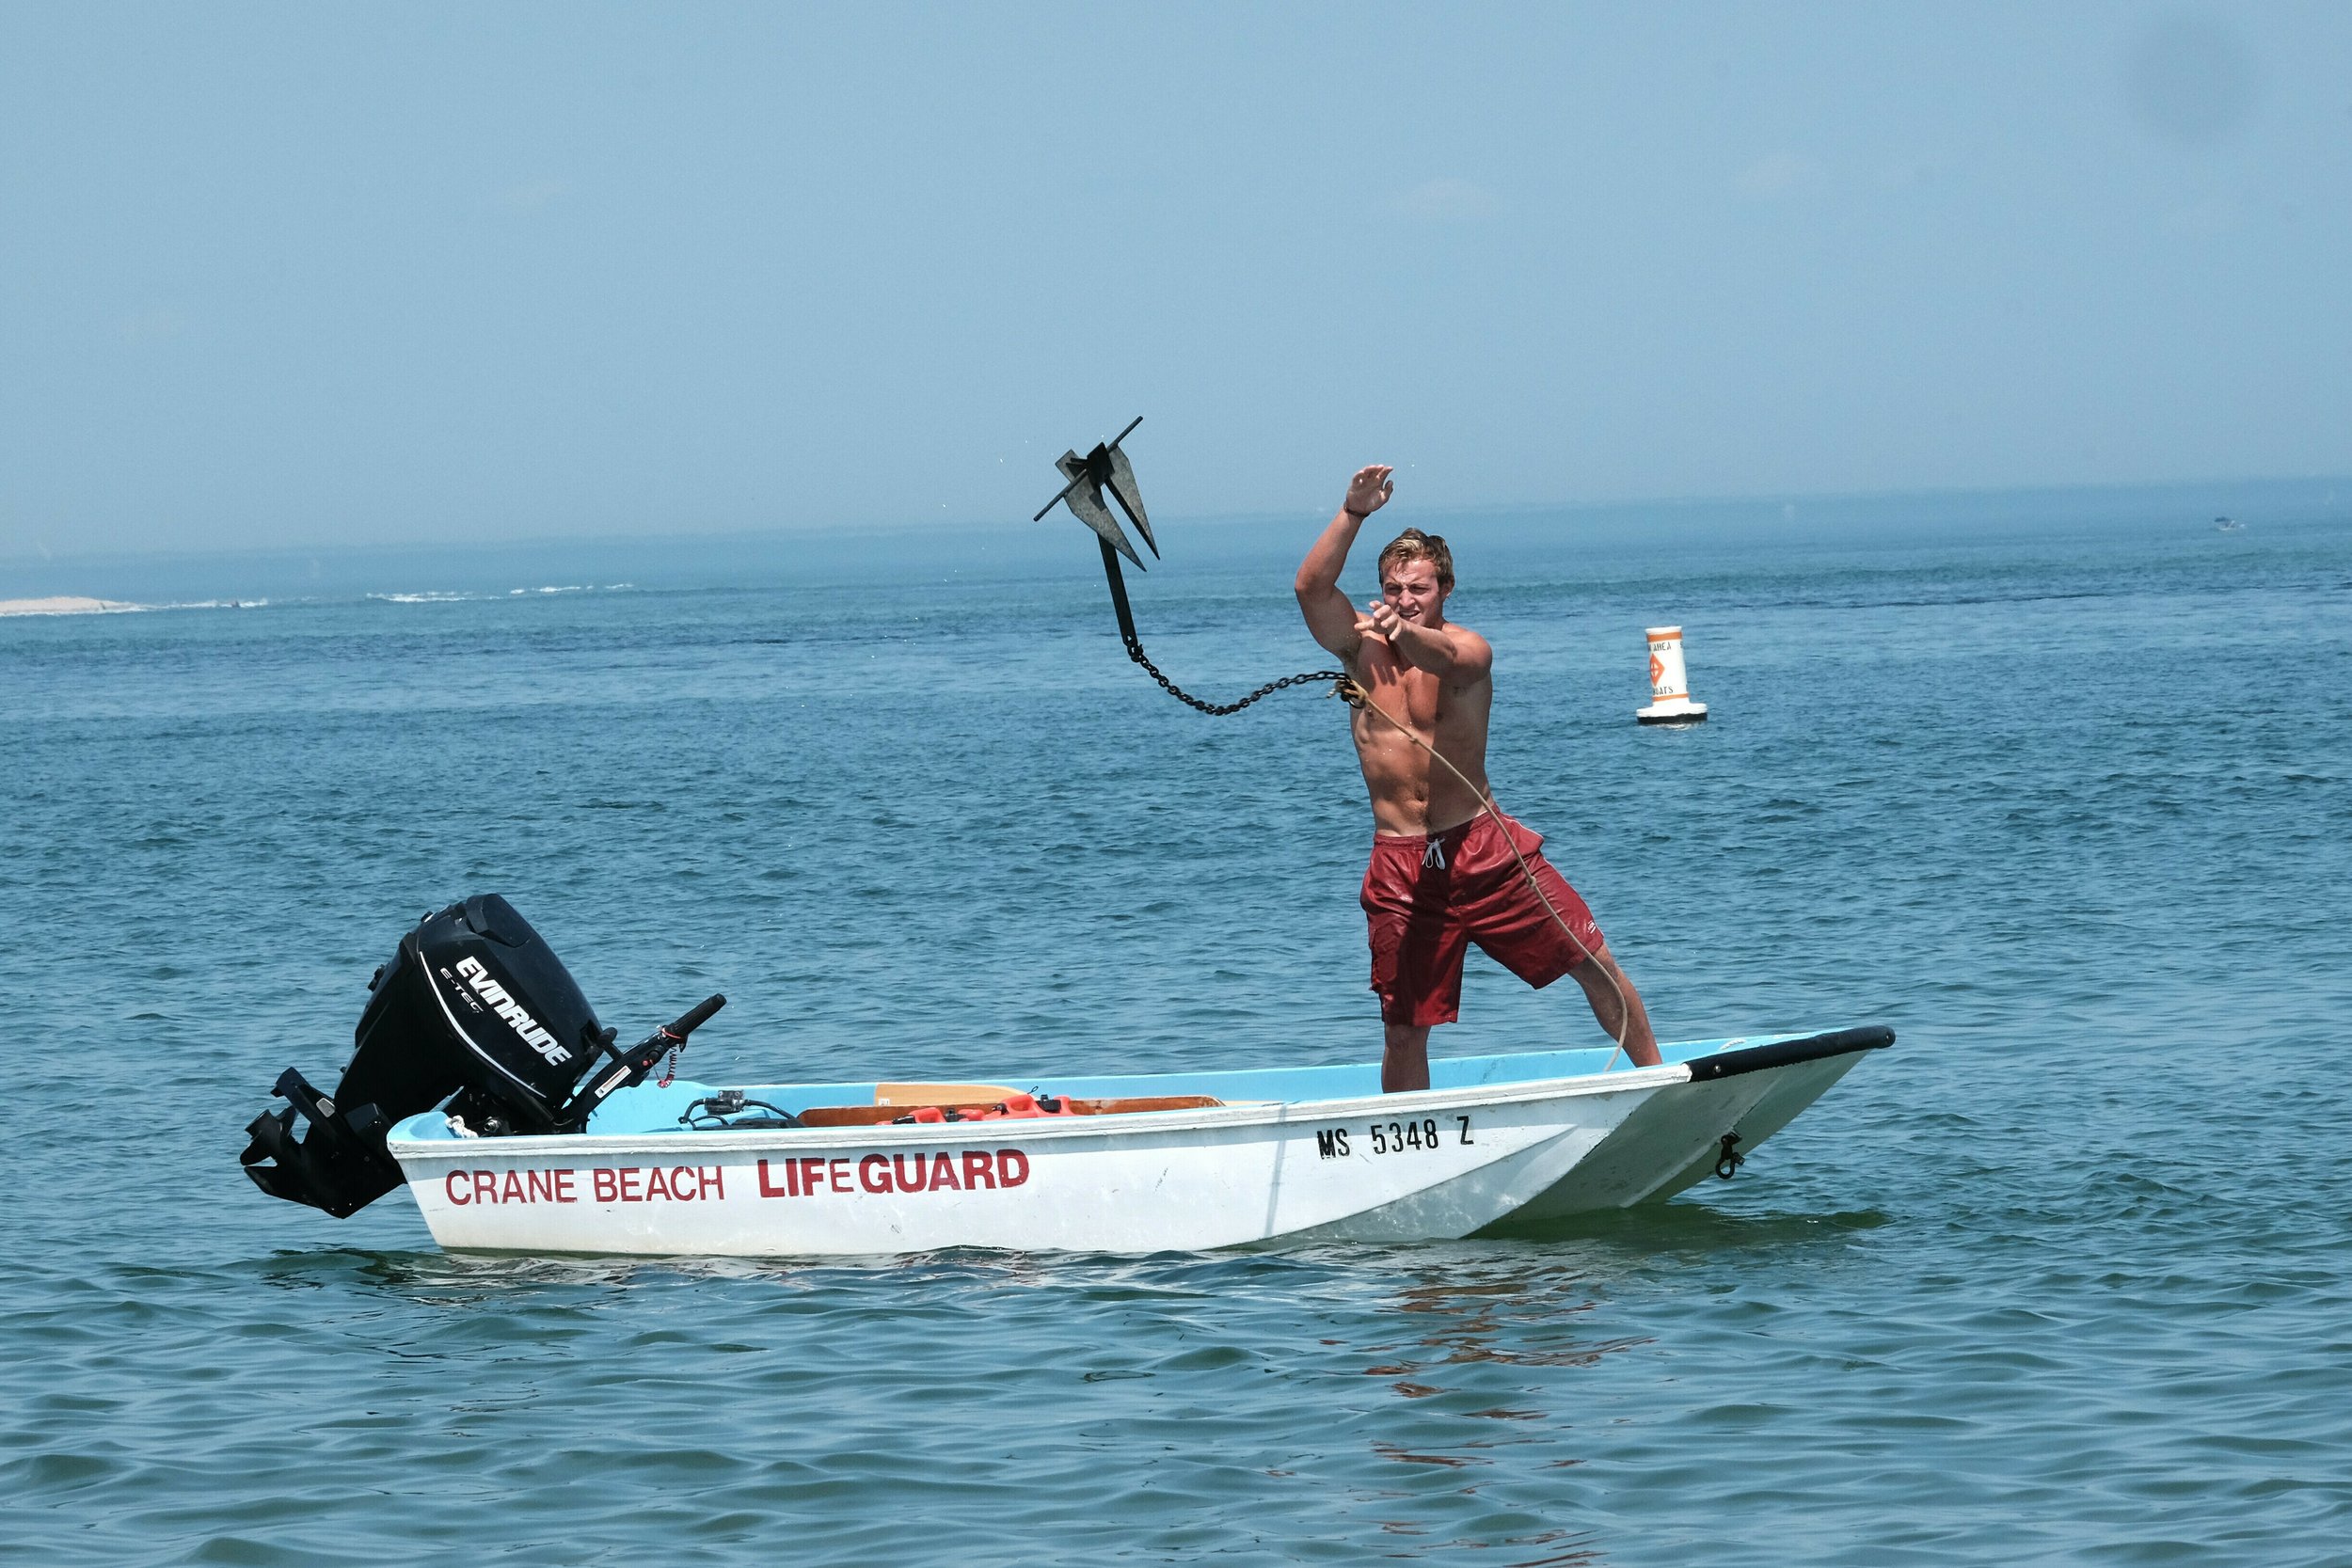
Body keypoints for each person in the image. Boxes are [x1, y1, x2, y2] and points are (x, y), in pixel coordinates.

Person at [1294, 464, 1661, 1090]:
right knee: (1404, 1024)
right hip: (1401, 861)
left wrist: (1404, 630)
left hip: (1483, 848)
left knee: (1592, 963)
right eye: (1393, 587)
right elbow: (1309, 588)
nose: (1405, 597)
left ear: (1445, 588)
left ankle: (1662, 1084)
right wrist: (1352, 515)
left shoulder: (1469, 650)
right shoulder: (1360, 648)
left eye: (1419, 587)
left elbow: (1442, 655)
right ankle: (1410, 1143)